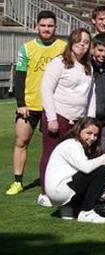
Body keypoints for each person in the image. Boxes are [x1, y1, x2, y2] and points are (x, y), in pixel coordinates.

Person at [7, 10, 66, 196]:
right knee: (22, 141)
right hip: (30, 105)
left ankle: (52, 180)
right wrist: (21, 102)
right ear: (36, 26)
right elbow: (19, 77)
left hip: (54, 106)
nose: (47, 29)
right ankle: (17, 181)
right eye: (43, 25)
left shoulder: (64, 47)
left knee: (52, 147)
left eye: (50, 26)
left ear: (55, 27)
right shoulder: (26, 48)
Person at [38, 28, 95, 207]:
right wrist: (52, 117)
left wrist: (90, 119)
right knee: (50, 153)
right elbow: (46, 89)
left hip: (78, 121)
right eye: (78, 41)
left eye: (86, 42)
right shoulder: (59, 62)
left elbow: (91, 94)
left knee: (73, 156)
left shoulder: (88, 66)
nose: (82, 45)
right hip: (58, 116)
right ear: (71, 42)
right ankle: (45, 192)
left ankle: (65, 190)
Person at [43, 117, 105, 224]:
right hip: (59, 191)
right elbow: (86, 168)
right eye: (89, 133)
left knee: (100, 171)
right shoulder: (72, 143)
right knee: (102, 171)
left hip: (56, 192)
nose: (92, 138)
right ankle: (86, 212)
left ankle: (67, 207)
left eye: (96, 135)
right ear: (79, 130)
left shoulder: (77, 144)